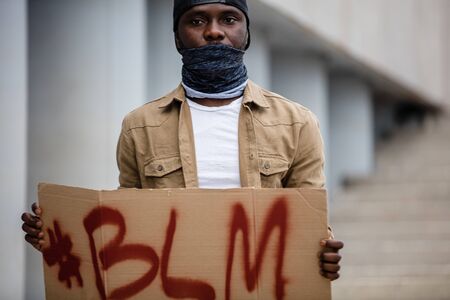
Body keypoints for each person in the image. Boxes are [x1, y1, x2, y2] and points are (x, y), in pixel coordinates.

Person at [22, 0, 343, 282]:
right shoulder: (140, 126)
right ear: (177, 37)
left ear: (247, 33)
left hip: (262, 287)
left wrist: (322, 251)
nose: (214, 32)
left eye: (229, 19)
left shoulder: (297, 122)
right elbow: (127, 225)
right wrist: (60, 234)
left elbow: (308, 218)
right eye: (197, 20)